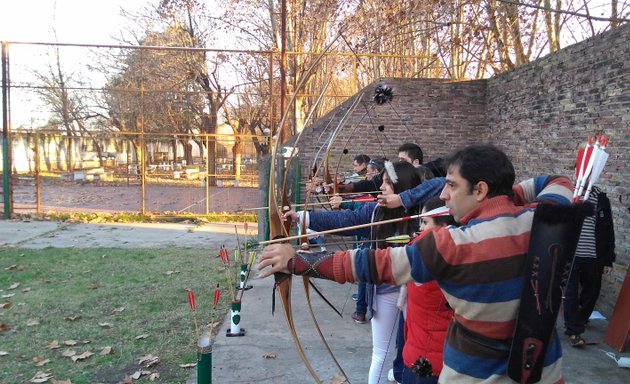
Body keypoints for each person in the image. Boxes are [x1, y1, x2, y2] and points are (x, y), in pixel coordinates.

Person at [259, 144, 575, 383]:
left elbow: (372, 264)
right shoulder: (541, 222)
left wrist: (299, 261)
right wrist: (508, 199)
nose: (446, 196)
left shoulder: (454, 245)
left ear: (480, 190)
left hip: (476, 374)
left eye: (451, 186)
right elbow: (559, 181)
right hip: (544, 370)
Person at [285, 161, 424, 384]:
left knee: (415, 352)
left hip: (418, 291)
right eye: (383, 183)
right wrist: (302, 217)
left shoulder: (423, 212)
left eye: (388, 184)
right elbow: (343, 220)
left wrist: (410, 200)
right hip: (386, 290)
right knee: (382, 352)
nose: (381, 188)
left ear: (404, 187)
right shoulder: (376, 211)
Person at [399, 196, 455, 384]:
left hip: (427, 363)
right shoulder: (463, 246)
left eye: (424, 222)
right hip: (436, 358)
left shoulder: (426, 249)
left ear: (444, 224)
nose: (420, 228)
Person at [563, 185, 616, 346]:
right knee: (570, 293)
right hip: (572, 255)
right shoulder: (570, 194)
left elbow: (608, 229)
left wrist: (608, 259)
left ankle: (580, 319)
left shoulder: (600, 198)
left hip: (594, 256)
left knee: (591, 292)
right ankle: (573, 331)